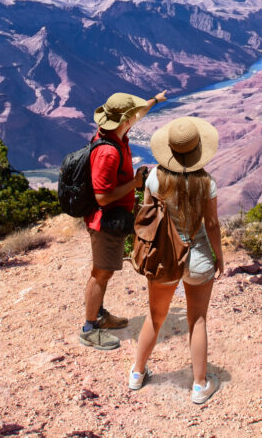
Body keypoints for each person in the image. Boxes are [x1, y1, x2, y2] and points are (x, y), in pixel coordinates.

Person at [130, 116, 224, 405]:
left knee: (155, 316)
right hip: (198, 257)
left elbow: (148, 217)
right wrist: (219, 256)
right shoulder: (206, 183)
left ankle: (137, 373)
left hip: (164, 257)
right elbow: (212, 225)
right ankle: (199, 385)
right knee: (198, 320)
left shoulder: (154, 178)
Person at [80, 90, 166, 351]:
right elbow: (102, 196)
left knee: (105, 272)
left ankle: (99, 315)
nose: (135, 118)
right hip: (104, 221)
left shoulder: (114, 133)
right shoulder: (109, 152)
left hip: (112, 218)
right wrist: (135, 183)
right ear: (124, 120)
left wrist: (155, 100)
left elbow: (138, 114)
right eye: (131, 116)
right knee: (101, 273)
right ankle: (89, 328)